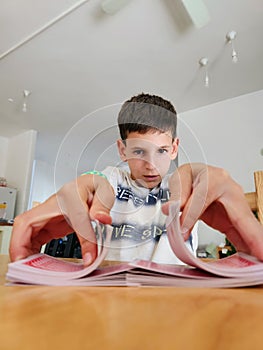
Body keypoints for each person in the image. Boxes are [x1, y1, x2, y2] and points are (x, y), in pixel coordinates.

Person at [9, 93, 263, 266]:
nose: (151, 165)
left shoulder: (185, 188)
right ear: (123, 150)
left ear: (174, 148)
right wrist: (90, 179)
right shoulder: (112, 179)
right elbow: (98, 180)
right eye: (139, 151)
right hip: (113, 296)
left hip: (177, 299)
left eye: (162, 151)